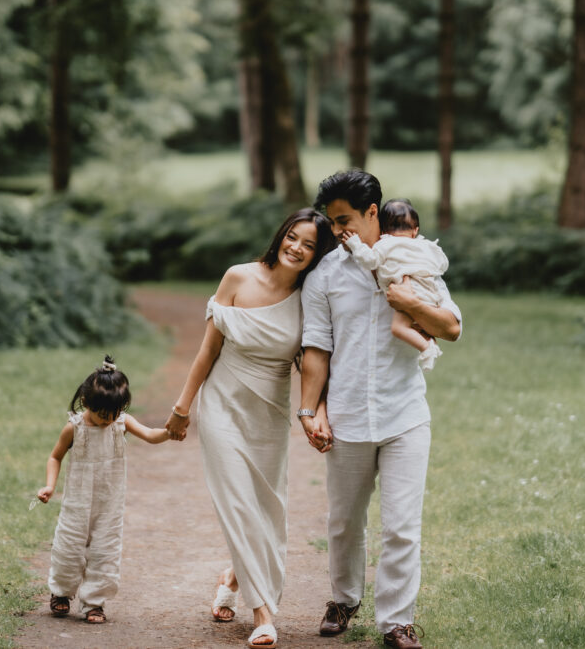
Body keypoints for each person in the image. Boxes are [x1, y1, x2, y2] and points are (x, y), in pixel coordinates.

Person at [297, 170, 462, 649]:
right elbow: (316, 349)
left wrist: (409, 300)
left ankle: (396, 622)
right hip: (346, 414)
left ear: (373, 213)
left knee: (402, 526)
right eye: (331, 223)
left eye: (344, 220)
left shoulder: (414, 260)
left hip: (405, 414)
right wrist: (311, 411)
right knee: (345, 520)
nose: (336, 231)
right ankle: (344, 599)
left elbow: (451, 327)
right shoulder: (325, 276)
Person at [165, 208, 336, 649]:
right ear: (281, 235)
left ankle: (233, 576)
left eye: (310, 245)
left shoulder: (310, 296)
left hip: (268, 412)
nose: (297, 248)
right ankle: (263, 615)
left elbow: (317, 362)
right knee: (239, 504)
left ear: (317, 255)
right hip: (222, 403)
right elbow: (207, 350)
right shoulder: (237, 278)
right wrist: (182, 408)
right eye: (293, 238)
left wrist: (317, 412)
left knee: (265, 508)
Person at [36, 355, 170, 624]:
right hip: (77, 503)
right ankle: (61, 593)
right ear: (86, 403)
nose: (108, 421)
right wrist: (50, 485)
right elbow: (55, 457)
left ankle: (94, 603)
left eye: (115, 414)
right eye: (103, 415)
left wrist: (170, 431)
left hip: (109, 504)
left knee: (105, 552)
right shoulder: (74, 428)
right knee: (68, 549)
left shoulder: (122, 423)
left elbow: (152, 435)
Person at [340, 198, 449, 371]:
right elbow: (442, 264)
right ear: (415, 230)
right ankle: (430, 344)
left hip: (409, 293)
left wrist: (355, 244)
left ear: (383, 230)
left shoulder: (385, 244)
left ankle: (427, 349)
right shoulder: (425, 246)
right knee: (420, 327)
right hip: (431, 294)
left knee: (399, 328)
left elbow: (369, 261)